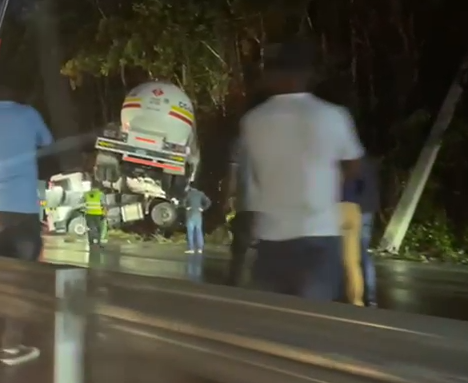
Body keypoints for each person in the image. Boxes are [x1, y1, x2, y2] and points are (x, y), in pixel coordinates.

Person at [241, 41, 364, 301]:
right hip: (319, 234)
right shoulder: (333, 115)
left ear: (271, 76)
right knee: (312, 323)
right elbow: (355, 167)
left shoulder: (252, 121)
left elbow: (249, 177)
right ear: (306, 75)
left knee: (272, 321)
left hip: (270, 236)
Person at [0, 84, 53, 365]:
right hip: (21, 210)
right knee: (20, 279)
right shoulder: (27, 114)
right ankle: (10, 346)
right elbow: (46, 141)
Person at [225, 137, 255, 286]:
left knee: (240, 246)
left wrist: (228, 198)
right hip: (269, 203)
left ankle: (235, 279)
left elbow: (233, 176)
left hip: (246, 201)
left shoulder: (240, 143)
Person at [357, 156, 380, 307]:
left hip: (356, 211)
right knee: (364, 254)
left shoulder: (351, 163)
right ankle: (371, 297)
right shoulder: (370, 164)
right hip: (369, 211)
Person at [341, 177, 364, 306]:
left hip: (332, 207)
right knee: (352, 262)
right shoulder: (353, 164)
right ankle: (356, 301)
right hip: (353, 207)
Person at [182, 183, 211, 254]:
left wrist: (187, 207)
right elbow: (208, 202)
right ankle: (200, 249)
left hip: (191, 214)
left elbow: (183, 202)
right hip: (198, 214)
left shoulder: (189, 194)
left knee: (190, 232)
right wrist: (203, 208)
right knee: (199, 231)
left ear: (190, 187)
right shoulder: (201, 194)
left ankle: (191, 248)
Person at [83, 180, 106, 247]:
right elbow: (104, 205)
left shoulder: (86, 194)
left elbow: (82, 202)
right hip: (98, 214)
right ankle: (98, 242)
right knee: (99, 229)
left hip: (88, 214)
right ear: (98, 186)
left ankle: (91, 241)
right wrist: (104, 214)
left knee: (90, 228)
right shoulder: (100, 194)